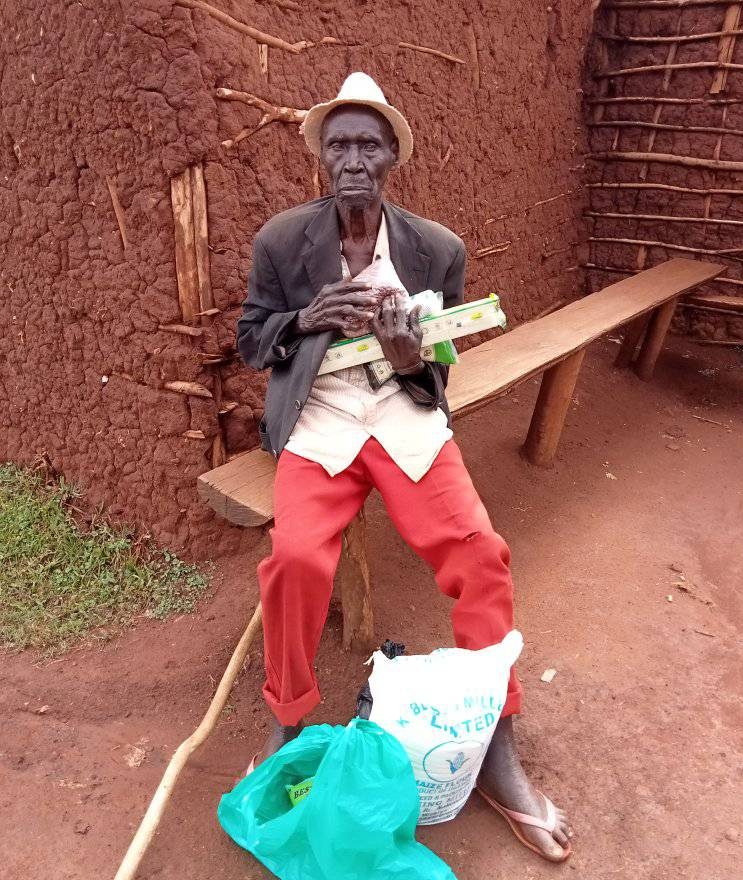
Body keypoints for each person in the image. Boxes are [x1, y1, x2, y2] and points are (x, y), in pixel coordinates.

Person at [237, 72, 572, 862]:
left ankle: (498, 745)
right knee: (294, 560)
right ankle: (288, 721)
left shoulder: (436, 249)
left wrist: (409, 357)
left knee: (480, 554)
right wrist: (304, 319)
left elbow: (437, 371)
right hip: (320, 419)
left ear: (393, 156)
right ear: (322, 157)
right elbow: (252, 340)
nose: (353, 159)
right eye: (339, 145)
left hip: (401, 414)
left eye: (369, 145)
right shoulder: (282, 241)